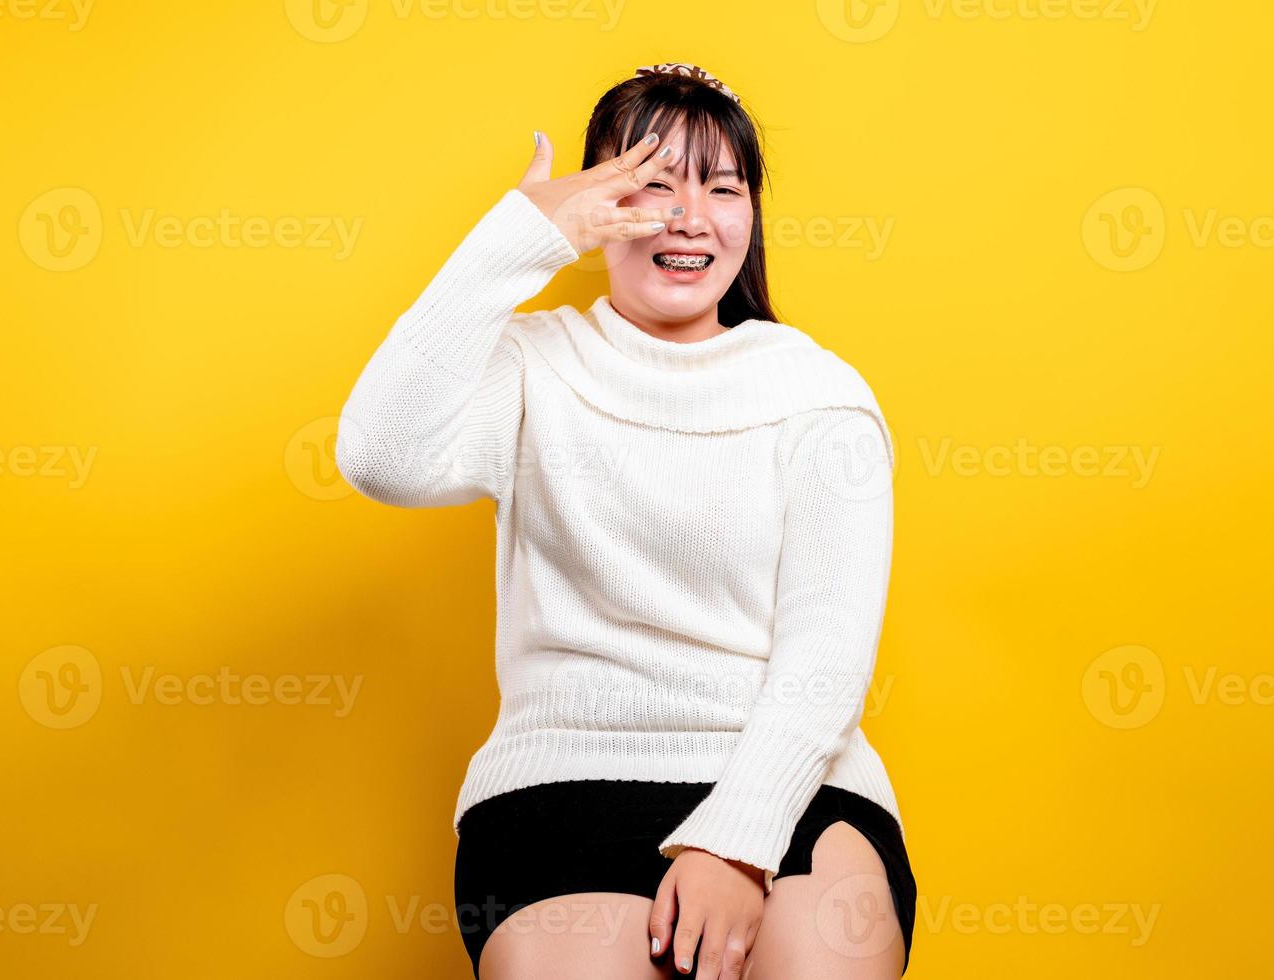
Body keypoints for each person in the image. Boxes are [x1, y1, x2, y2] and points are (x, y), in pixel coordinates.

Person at [334, 62, 916, 980]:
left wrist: (735, 844)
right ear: (596, 207)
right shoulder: (531, 367)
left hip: (789, 781)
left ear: (750, 214)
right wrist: (516, 242)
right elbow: (380, 457)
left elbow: (827, 654)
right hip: (560, 782)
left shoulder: (818, 394)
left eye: (721, 188)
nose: (689, 217)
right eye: (652, 183)